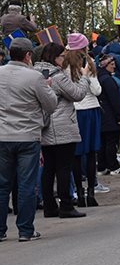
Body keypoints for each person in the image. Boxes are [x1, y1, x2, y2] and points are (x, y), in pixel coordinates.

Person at [0, 38, 58, 242]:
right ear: (27, 56)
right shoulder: (34, 77)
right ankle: (25, 230)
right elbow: (51, 105)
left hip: (2, 135)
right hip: (27, 135)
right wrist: (48, 86)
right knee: (26, 183)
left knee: (2, 184)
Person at [34, 43, 91, 219]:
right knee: (64, 168)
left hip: (44, 127)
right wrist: (84, 76)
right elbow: (78, 94)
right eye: (62, 56)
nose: (64, 59)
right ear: (54, 57)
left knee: (49, 168)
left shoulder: (36, 74)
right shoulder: (57, 76)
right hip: (62, 126)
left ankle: (50, 206)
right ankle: (66, 205)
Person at [64, 34, 105, 207]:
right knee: (90, 153)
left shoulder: (64, 65)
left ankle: (79, 194)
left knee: (75, 154)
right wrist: (87, 76)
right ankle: (90, 194)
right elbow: (97, 90)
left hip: (73, 111)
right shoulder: (88, 63)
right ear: (84, 47)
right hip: (90, 110)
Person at [96, 54, 120, 175]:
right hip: (110, 116)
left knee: (103, 142)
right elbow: (114, 100)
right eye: (112, 64)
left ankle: (102, 166)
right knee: (111, 142)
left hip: (101, 115)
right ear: (105, 65)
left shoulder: (98, 78)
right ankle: (113, 166)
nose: (114, 67)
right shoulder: (108, 80)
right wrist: (119, 117)